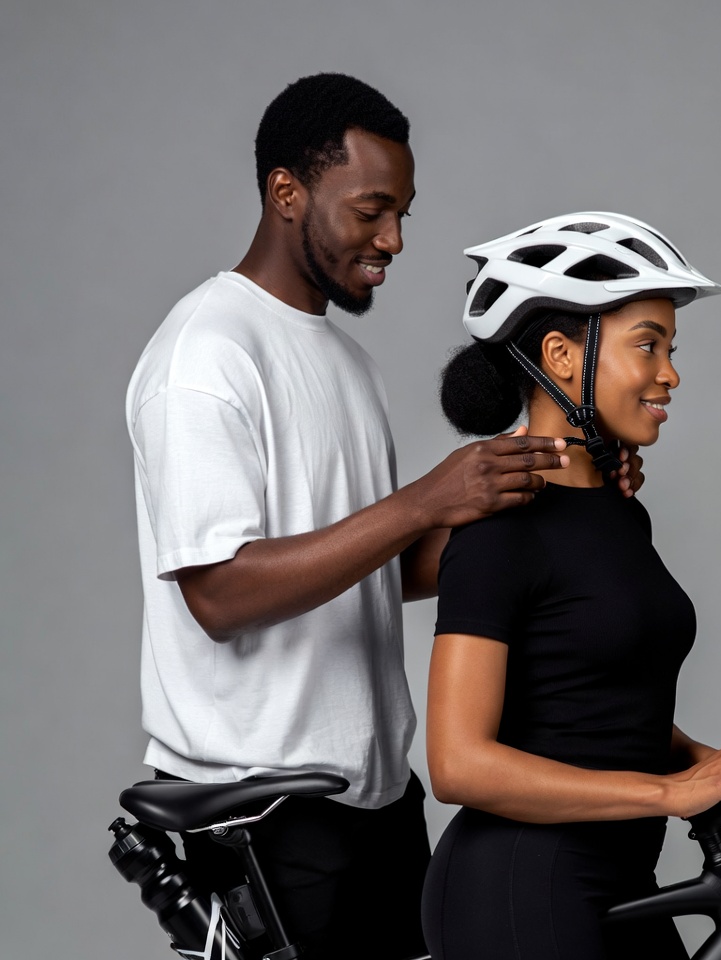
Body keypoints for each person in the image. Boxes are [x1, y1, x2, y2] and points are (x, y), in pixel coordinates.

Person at [126, 77, 641, 959]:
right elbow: (217, 590)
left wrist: (551, 486)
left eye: (403, 212)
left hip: (375, 797)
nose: (394, 240)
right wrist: (422, 502)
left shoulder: (346, 361)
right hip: (263, 810)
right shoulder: (205, 353)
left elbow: (375, 569)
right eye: (371, 211)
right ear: (287, 193)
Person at [420, 212, 721, 960]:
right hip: (520, 888)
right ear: (562, 357)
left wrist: (707, 761)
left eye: (670, 347)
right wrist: (670, 793)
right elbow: (456, 762)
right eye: (647, 345)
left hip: (619, 881)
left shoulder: (621, 514)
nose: (670, 373)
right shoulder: (499, 531)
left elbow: (589, 702)